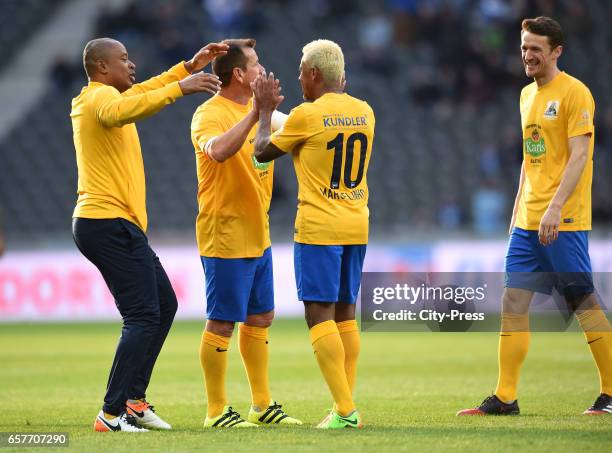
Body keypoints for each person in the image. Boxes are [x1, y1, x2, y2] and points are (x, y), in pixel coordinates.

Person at [71, 37, 227, 432]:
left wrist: (188, 67)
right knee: (142, 315)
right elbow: (129, 107)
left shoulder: (109, 97)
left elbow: (142, 92)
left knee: (164, 304)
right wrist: (180, 89)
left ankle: (134, 402)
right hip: (105, 222)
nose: (132, 64)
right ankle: (110, 414)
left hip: (116, 223)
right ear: (102, 68)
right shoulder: (96, 100)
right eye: (123, 59)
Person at [458, 16, 612, 416]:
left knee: (583, 301)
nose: (527, 55)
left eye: (536, 49)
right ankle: (506, 396)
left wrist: (556, 208)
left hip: (563, 219)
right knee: (512, 300)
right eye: (524, 47)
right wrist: (517, 209)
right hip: (528, 221)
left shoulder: (576, 93)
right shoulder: (526, 95)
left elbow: (580, 155)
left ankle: (611, 392)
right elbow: (532, 157)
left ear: (556, 52)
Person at [252, 39, 375, 428]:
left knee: (318, 314)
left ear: (314, 75)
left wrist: (265, 111)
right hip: (356, 224)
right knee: (345, 313)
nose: (298, 78)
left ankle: (344, 410)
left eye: (301, 71)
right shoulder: (365, 112)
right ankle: (346, 405)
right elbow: (318, 129)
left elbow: (261, 151)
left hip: (320, 226)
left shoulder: (307, 115)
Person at [190, 38, 301, 428]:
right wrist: (257, 112)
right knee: (222, 322)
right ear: (238, 74)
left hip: (259, 232)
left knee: (261, 317)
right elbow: (218, 151)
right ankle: (216, 410)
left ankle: (261, 405)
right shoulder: (208, 113)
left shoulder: (266, 113)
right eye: (256, 63)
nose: (262, 70)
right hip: (225, 232)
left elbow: (303, 128)